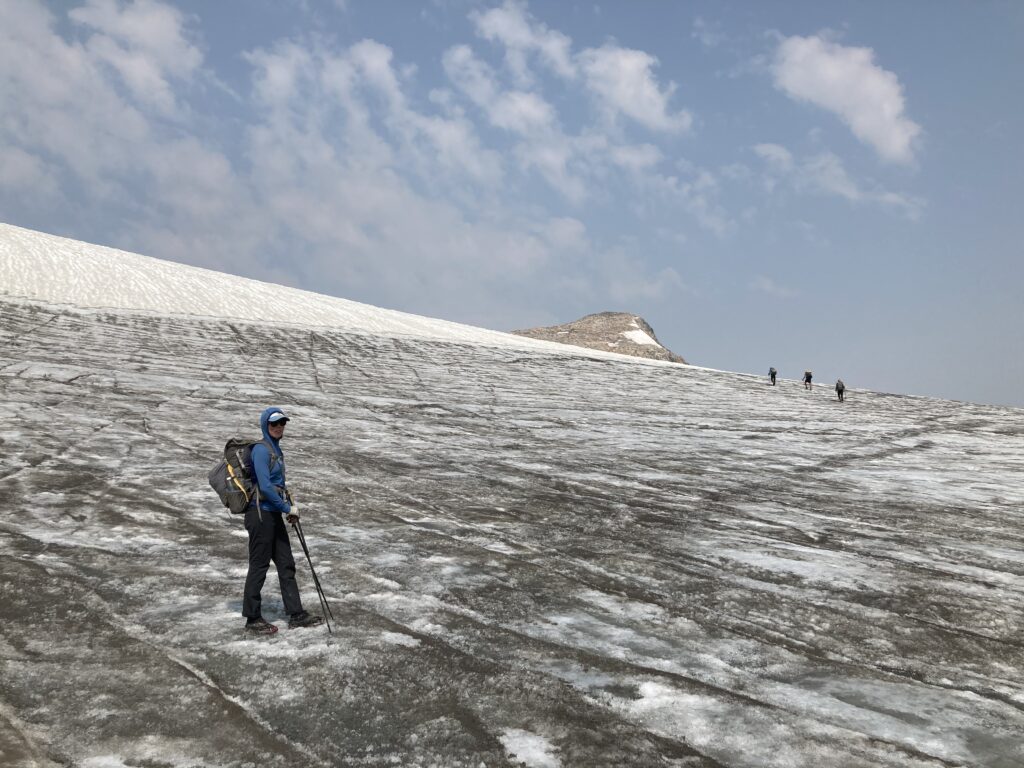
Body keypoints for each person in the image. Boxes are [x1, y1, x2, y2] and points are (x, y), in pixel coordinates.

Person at [242, 407, 322, 635]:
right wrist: (287, 507)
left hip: (272, 513)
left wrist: (285, 505)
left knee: (286, 563)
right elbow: (265, 487)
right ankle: (252, 618)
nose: (279, 427)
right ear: (265, 425)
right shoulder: (261, 450)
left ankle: (296, 614)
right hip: (259, 514)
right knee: (259, 565)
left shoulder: (275, 450)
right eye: (274, 424)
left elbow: (275, 486)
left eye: (282, 423)